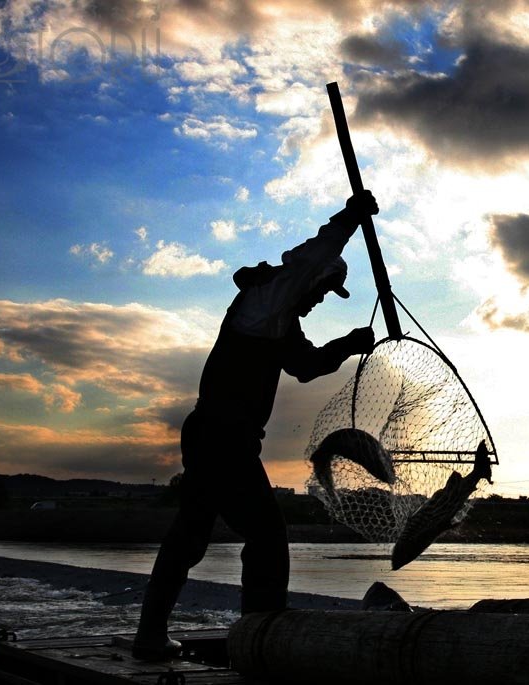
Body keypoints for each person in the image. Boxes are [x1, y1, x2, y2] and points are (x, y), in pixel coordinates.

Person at [133, 190, 379, 661]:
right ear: (310, 283)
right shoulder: (267, 301)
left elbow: (306, 366)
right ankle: (261, 637)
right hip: (222, 438)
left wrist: (349, 344)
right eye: (323, 291)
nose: (319, 301)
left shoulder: (278, 322)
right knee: (267, 537)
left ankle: (152, 634)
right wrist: (351, 216)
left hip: (216, 437)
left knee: (190, 534)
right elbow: (313, 256)